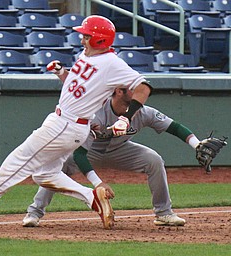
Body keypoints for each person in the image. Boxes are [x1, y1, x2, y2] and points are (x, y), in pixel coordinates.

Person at [0, 15, 152, 230]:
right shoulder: (88, 55)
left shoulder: (112, 63)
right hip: (68, 123)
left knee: (18, 161)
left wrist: (126, 118)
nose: (82, 39)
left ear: (99, 40)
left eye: (86, 36)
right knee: (45, 174)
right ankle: (92, 198)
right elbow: (79, 88)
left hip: (66, 125)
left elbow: (144, 87)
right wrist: (62, 73)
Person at [22, 87, 203, 227]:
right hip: (89, 152)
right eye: (133, 89)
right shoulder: (97, 112)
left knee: (154, 160)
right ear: (118, 91)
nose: (139, 93)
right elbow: (79, 154)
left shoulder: (143, 112)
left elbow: (175, 127)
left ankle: (164, 213)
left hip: (120, 150)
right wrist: (98, 183)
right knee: (57, 168)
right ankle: (34, 213)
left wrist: (197, 144)